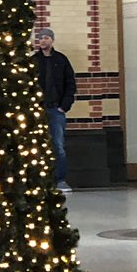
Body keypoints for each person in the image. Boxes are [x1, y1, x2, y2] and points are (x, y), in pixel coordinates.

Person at [32, 26, 77, 194]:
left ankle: (60, 180)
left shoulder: (61, 60)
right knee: (37, 145)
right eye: (40, 38)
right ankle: (40, 180)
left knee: (58, 146)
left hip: (56, 109)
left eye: (46, 37)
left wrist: (64, 106)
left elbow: (70, 84)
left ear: (52, 40)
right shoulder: (34, 60)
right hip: (38, 109)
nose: (43, 40)